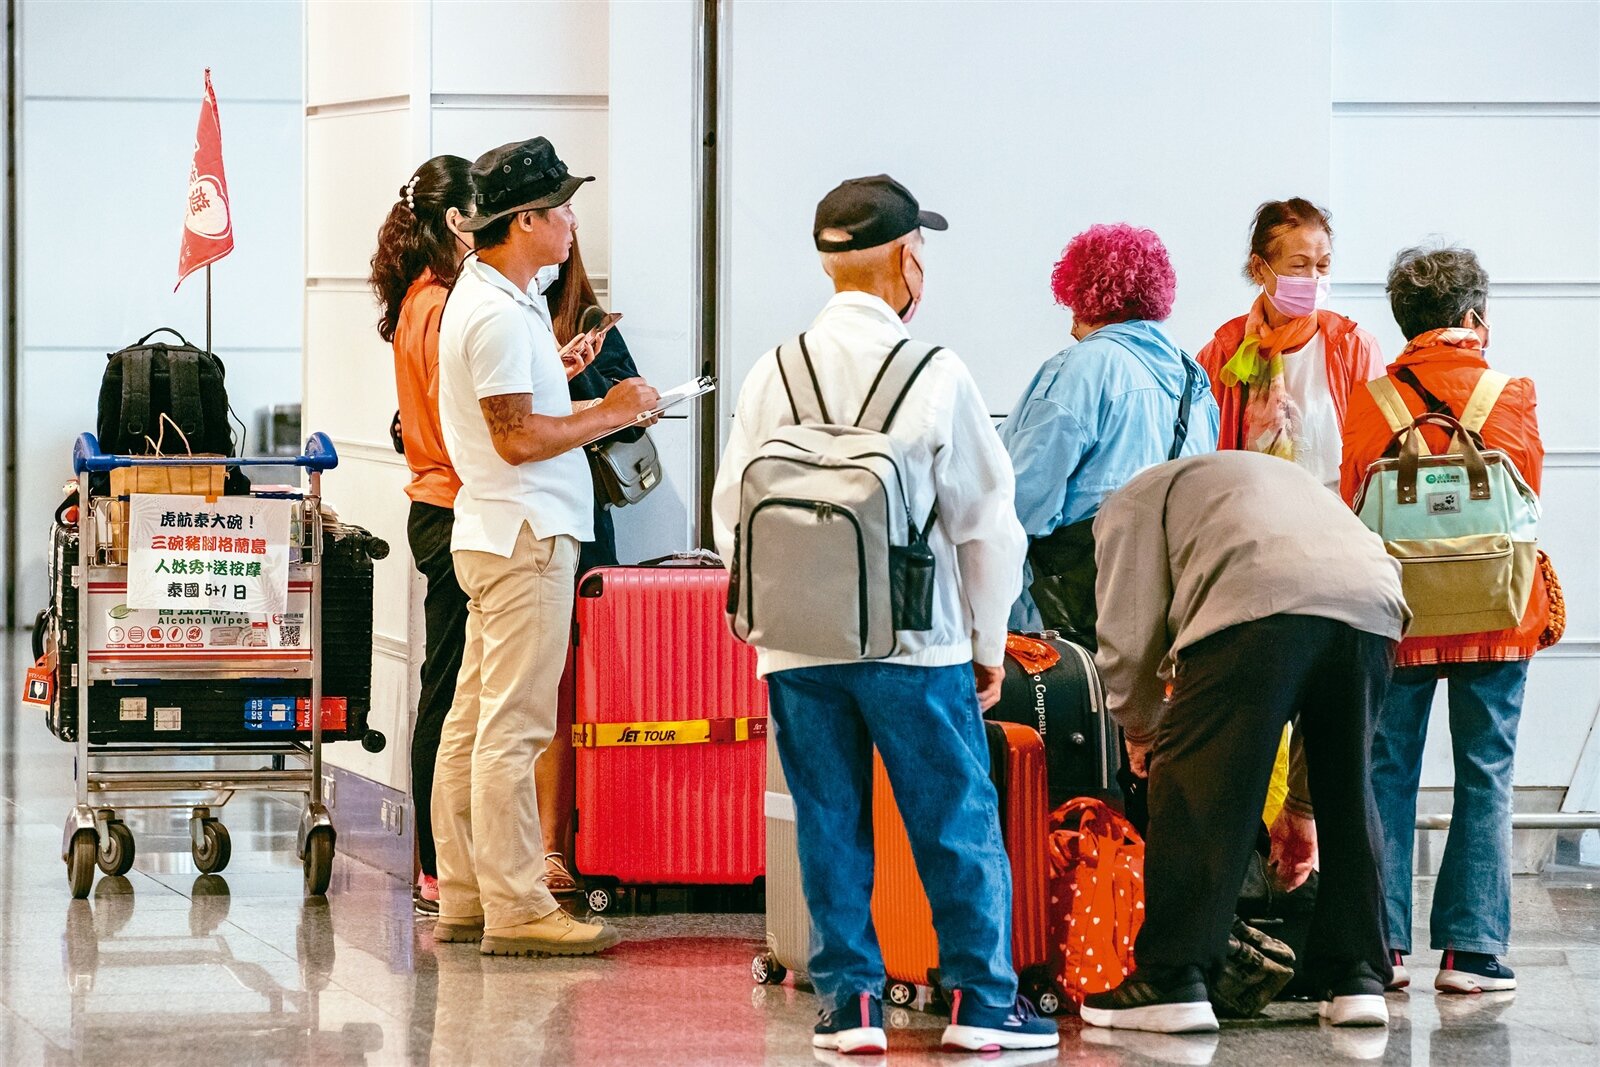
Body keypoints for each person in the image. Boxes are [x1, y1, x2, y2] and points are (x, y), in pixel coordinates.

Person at [712, 175, 1056, 1055]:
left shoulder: (772, 370)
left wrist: (791, 610)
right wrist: (985, 644)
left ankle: (850, 1006)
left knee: (827, 819)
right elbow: (987, 523)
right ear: (907, 260)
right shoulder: (935, 374)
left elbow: (729, 515)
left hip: (795, 646)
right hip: (916, 641)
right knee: (952, 816)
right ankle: (981, 1004)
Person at [1081, 451, 1407, 1033]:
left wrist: (1140, 727)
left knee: (1196, 786)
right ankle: (1357, 978)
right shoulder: (1272, 482)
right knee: (1350, 785)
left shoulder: (1127, 503)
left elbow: (1129, 629)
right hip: (1375, 602)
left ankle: (1174, 978)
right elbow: (1321, 680)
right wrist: (1302, 807)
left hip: (1258, 599)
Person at [432, 136, 659, 957]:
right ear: (523, 219)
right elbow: (519, 439)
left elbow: (514, 411)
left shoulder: (500, 297)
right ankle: (518, 902)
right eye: (560, 207)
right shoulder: (495, 312)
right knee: (515, 727)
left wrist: (561, 369)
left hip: (498, 532)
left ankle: (464, 889)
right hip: (525, 538)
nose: (570, 222)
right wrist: (617, 406)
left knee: (474, 721)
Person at [1340, 244, 1547, 995]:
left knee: (1386, 772)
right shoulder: (1511, 394)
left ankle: (1385, 946)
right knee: (1485, 771)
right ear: (1471, 318)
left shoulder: (1370, 401)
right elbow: (1527, 499)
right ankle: (1474, 952)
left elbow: (1349, 505)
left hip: (1398, 614)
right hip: (1497, 611)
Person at [1000, 222, 1217, 636]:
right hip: (1164, 604)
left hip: (1070, 607)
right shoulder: (1196, 382)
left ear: (1086, 297)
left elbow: (1020, 502)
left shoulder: (1081, 367)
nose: (1071, 327)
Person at [368, 154, 474, 917]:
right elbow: (461, 421)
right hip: (451, 508)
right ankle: (437, 862)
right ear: (455, 221)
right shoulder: (440, 305)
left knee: (445, 686)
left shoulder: (418, 298)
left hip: (434, 507)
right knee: (449, 691)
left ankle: (438, 860)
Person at [532, 232, 643, 897]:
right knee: (527, 692)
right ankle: (532, 848)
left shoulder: (590, 323)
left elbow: (632, 413)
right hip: (523, 522)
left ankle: (564, 843)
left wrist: (611, 397)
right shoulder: (488, 313)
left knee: (577, 692)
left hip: (584, 525)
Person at [1197, 198, 1383, 490]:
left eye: (1323, 265)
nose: (1313, 278)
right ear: (1259, 269)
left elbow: (1378, 452)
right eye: (1299, 265)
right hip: (1254, 522)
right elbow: (1205, 460)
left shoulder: (1354, 348)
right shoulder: (1223, 354)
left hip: (1339, 521)